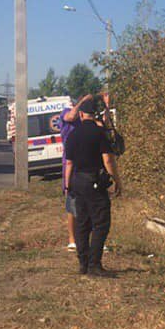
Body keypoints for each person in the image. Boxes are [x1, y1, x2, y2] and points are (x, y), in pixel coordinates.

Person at [64, 98, 122, 276]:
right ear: (92, 115)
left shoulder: (73, 135)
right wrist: (117, 180)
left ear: (81, 115)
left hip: (77, 182)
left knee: (82, 224)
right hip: (95, 182)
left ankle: (83, 264)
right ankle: (94, 265)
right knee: (101, 223)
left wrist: (68, 186)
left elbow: (69, 163)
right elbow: (108, 160)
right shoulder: (99, 133)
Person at [60, 94, 94, 251]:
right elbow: (71, 116)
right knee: (72, 204)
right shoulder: (66, 113)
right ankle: (72, 239)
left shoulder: (85, 118)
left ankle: (91, 238)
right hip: (70, 165)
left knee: (91, 204)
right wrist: (83, 102)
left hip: (86, 165)